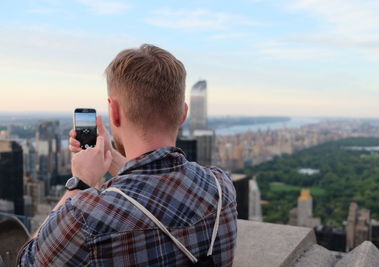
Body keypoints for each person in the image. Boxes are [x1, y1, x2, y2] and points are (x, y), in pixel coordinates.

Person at [18, 44, 237, 266]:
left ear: (113, 111)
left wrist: (80, 184)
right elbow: (154, 184)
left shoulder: (87, 217)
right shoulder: (222, 188)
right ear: (183, 113)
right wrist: (109, 155)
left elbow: (27, 262)